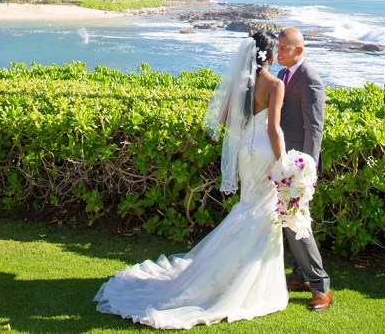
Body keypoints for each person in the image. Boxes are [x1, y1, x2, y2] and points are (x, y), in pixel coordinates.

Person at [94, 31, 289, 328]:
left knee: (250, 204)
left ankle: (226, 271)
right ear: (270, 56)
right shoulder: (275, 85)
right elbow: (274, 129)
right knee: (265, 210)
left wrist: (247, 127)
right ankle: (248, 283)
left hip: (247, 152)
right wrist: (285, 163)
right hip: (266, 149)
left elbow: (223, 119)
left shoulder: (241, 83)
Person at [277, 27, 332, 311]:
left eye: (283, 49)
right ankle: (299, 276)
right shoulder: (282, 75)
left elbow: (314, 128)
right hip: (283, 162)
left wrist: (306, 169)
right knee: (288, 221)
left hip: (299, 166)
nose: (278, 54)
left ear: (298, 50)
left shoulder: (310, 79)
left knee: (298, 223)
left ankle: (320, 285)